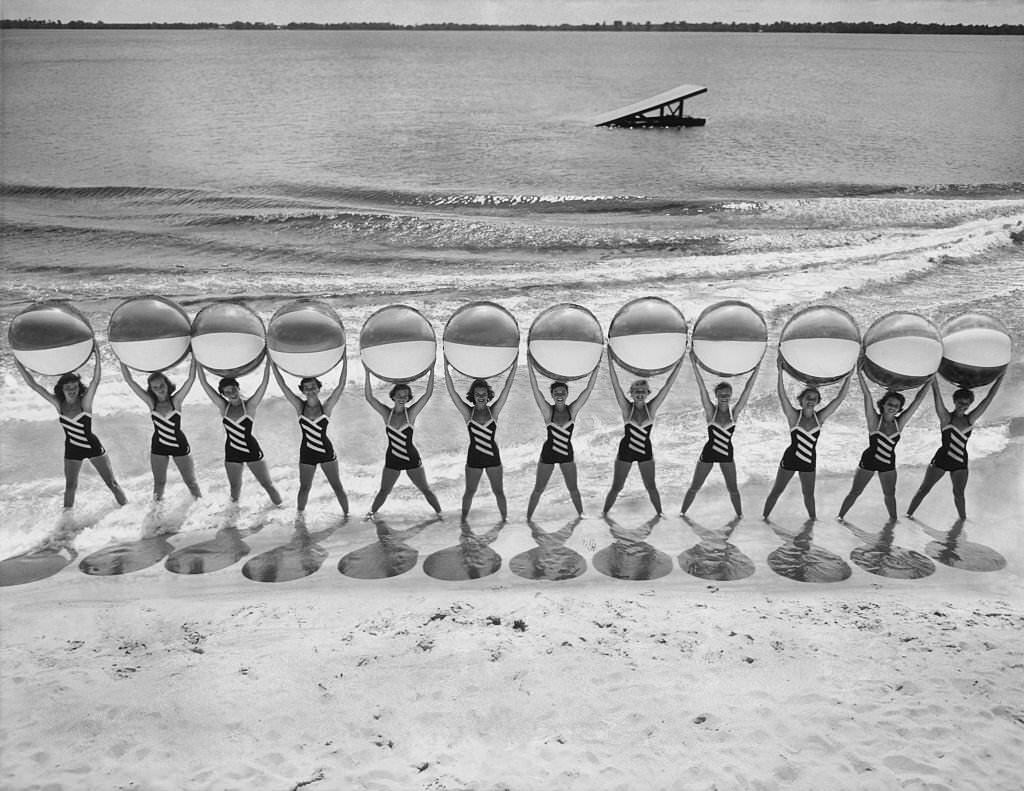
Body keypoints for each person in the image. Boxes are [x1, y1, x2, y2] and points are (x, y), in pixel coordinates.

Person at [15, 347, 127, 509]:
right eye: (68, 388)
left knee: (112, 484)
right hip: (72, 450)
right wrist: (18, 362)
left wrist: (96, 353)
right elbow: (34, 385)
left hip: (92, 447)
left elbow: (96, 380)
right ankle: (66, 523)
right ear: (62, 389)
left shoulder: (85, 404)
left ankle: (125, 511)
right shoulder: (59, 405)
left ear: (78, 387)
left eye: (74, 387)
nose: (72, 391)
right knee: (70, 487)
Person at [837, 367, 931, 522]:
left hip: (888, 463)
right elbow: (867, 396)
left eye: (896, 405)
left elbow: (917, 402)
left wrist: (929, 381)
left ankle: (893, 520)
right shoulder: (875, 421)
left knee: (889, 494)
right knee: (855, 492)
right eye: (890, 403)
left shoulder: (899, 423)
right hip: (868, 461)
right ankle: (840, 517)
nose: (892, 407)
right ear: (883, 404)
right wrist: (860, 373)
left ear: (900, 409)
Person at [907, 373, 1004, 520]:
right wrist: (933, 377)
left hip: (960, 462)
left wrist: (1000, 377)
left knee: (959, 494)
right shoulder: (946, 418)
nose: (963, 406)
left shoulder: (970, 419)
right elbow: (937, 397)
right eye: (960, 402)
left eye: (966, 404)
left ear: (970, 404)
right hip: (941, 460)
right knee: (924, 489)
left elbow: (988, 399)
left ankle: (962, 521)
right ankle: (908, 515)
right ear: (954, 401)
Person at [762, 362, 851, 520]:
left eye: (814, 398)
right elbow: (782, 395)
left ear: (818, 402)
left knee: (808, 494)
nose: (811, 400)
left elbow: (839, 398)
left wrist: (849, 376)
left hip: (809, 461)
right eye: (807, 397)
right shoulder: (794, 417)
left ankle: (812, 521)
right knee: (777, 490)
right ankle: (764, 518)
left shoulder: (820, 418)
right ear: (801, 400)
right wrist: (780, 372)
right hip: (790, 459)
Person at [602, 348, 683, 516]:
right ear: (630, 393)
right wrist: (609, 358)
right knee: (617, 487)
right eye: (636, 391)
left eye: (642, 391)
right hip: (626, 451)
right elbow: (615, 383)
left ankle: (660, 515)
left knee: (651, 487)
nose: (639, 394)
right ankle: (604, 515)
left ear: (648, 393)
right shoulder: (626, 408)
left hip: (645, 451)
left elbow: (668, 386)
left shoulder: (651, 408)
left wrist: (680, 361)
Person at [680, 350, 761, 518]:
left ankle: (739, 516)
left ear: (731, 395)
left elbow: (748, 390)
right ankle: (682, 514)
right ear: (716, 395)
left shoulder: (734, 413)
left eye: (727, 394)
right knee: (695, 486)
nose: (724, 396)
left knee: (733, 489)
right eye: (721, 394)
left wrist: (758, 366)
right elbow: (701, 387)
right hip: (708, 453)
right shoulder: (711, 412)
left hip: (726, 454)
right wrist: (693, 363)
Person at [270, 358, 349, 516]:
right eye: (306, 388)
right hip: (306, 453)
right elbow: (283, 386)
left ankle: (347, 516)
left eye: (313, 387)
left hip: (326, 452)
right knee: (305, 487)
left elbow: (340, 386)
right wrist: (273, 363)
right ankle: (299, 518)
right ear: (302, 390)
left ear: (319, 388)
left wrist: (344, 358)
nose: (310, 390)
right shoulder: (300, 407)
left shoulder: (326, 407)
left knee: (337, 486)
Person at [198, 361, 282, 506]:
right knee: (235, 488)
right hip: (232, 452)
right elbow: (204, 384)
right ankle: (232, 520)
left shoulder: (249, 406)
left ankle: (282, 509)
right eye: (227, 392)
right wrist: (197, 362)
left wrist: (269, 363)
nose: (231, 394)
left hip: (251, 450)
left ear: (238, 388)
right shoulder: (223, 407)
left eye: (233, 389)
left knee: (267, 484)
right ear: (223, 394)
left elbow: (263, 385)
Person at [364, 367, 443, 519]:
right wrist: (367, 373)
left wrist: (432, 370)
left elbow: (428, 394)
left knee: (425, 489)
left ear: (408, 398)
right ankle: (370, 514)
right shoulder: (386, 413)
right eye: (399, 395)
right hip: (392, 459)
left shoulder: (411, 413)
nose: (402, 398)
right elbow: (369, 397)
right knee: (384, 491)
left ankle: (440, 514)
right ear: (393, 396)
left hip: (411, 458)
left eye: (405, 396)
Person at [120, 357, 203, 500]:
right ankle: (156, 517)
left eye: (162, 385)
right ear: (151, 389)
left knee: (191, 482)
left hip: (179, 445)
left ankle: (200, 512)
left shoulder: (176, 401)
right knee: (159, 483)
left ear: (167, 384)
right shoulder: (151, 403)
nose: (160, 390)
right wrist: (121, 356)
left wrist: (194, 356)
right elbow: (129, 381)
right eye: (155, 387)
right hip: (159, 446)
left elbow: (190, 378)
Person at [526, 363, 600, 519]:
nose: (559, 394)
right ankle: (528, 518)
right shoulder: (548, 412)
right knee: (539, 488)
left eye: (562, 392)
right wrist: (529, 364)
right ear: (552, 395)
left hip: (566, 453)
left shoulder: (572, 411)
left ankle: (581, 515)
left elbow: (588, 390)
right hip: (548, 455)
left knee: (573, 488)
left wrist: (596, 366)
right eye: (556, 392)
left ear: (567, 394)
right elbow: (535, 389)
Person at [444, 361, 517, 521]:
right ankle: (463, 521)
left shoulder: (494, 412)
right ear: (473, 396)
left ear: (488, 395)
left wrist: (514, 364)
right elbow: (452, 391)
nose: (481, 397)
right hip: (474, 459)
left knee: (498, 491)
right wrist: (445, 365)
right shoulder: (467, 413)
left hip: (493, 458)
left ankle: (504, 520)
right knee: (470, 492)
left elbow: (507, 388)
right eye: (478, 394)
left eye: (484, 394)